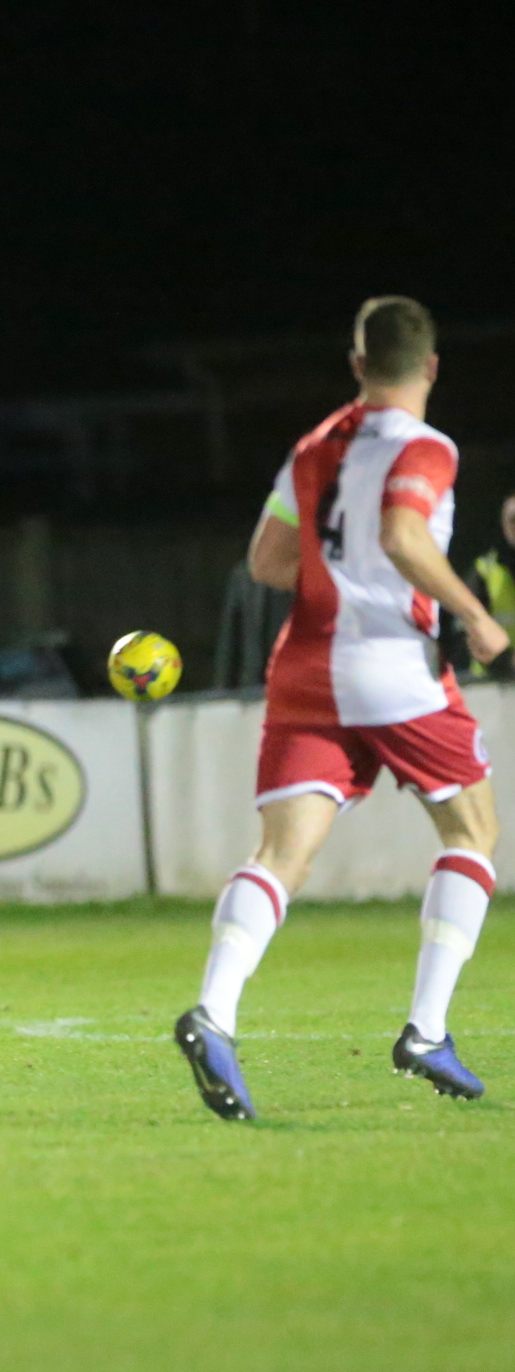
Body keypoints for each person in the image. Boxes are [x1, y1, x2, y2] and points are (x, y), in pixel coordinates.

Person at [175, 296, 508, 1121]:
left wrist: (340, 570)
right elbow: (401, 534)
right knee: (473, 834)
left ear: (356, 366)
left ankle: (213, 1010)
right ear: (430, 367)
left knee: (280, 855)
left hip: (303, 667)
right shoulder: (427, 446)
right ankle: (425, 1029)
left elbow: (266, 559)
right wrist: (471, 611)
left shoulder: (313, 446)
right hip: (392, 664)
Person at [463, 492, 515, 677]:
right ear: (504, 526)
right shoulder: (483, 571)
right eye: (513, 520)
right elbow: (464, 634)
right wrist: (507, 660)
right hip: (493, 686)